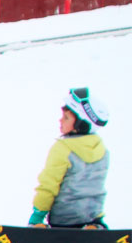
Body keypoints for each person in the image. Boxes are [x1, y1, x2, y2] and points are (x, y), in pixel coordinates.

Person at [30, 87, 111, 229]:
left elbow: (49, 185)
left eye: (66, 117)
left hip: (64, 219)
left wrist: (38, 215)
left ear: (81, 125)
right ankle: (94, 228)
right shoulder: (102, 150)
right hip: (93, 216)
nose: (60, 120)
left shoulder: (63, 148)